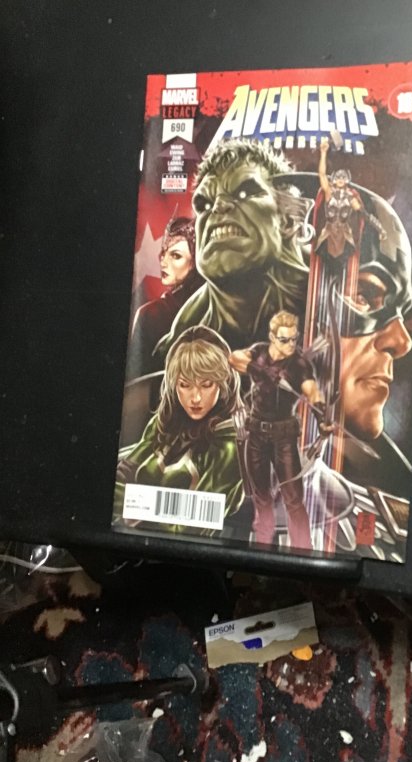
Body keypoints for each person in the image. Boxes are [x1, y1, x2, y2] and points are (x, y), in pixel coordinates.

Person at [154, 139, 313, 364]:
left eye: (244, 193)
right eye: (204, 205)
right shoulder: (176, 345)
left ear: (287, 220)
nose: (218, 206)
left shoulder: (336, 292)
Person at [114, 325, 243, 535]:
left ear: (224, 383)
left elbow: (191, 526)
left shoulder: (229, 444)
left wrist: (137, 507)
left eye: (206, 385)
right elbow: (122, 476)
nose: (195, 398)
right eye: (185, 385)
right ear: (174, 385)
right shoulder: (164, 423)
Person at [229, 311, 330, 551]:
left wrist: (321, 415)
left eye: (294, 339)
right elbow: (233, 358)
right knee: (261, 496)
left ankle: (303, 549)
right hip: (256, 434)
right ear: (272, 337)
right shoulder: (260, 351)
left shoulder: (299, 364)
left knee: (293, 499)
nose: (291, 345)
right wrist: (259, 369)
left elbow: (312, 391)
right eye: (284, 340)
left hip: (283, 438)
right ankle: (262, 546)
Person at [128, 216, 203, 378]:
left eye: (176, 256)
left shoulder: (214, 306)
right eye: (163, 253)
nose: (163, 262)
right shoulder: (150, 314)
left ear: (196, 261)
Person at [315, 139, 386, 272]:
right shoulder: (329, 192)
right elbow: (322, 175)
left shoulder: (351, 198)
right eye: (338, 177)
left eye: (343, 177)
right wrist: (323, 153)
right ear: (334, 179)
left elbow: (365, 215)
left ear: (347, 179)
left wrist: (380, 229)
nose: (340, 180)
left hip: (344, 236)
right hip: (329, 234)